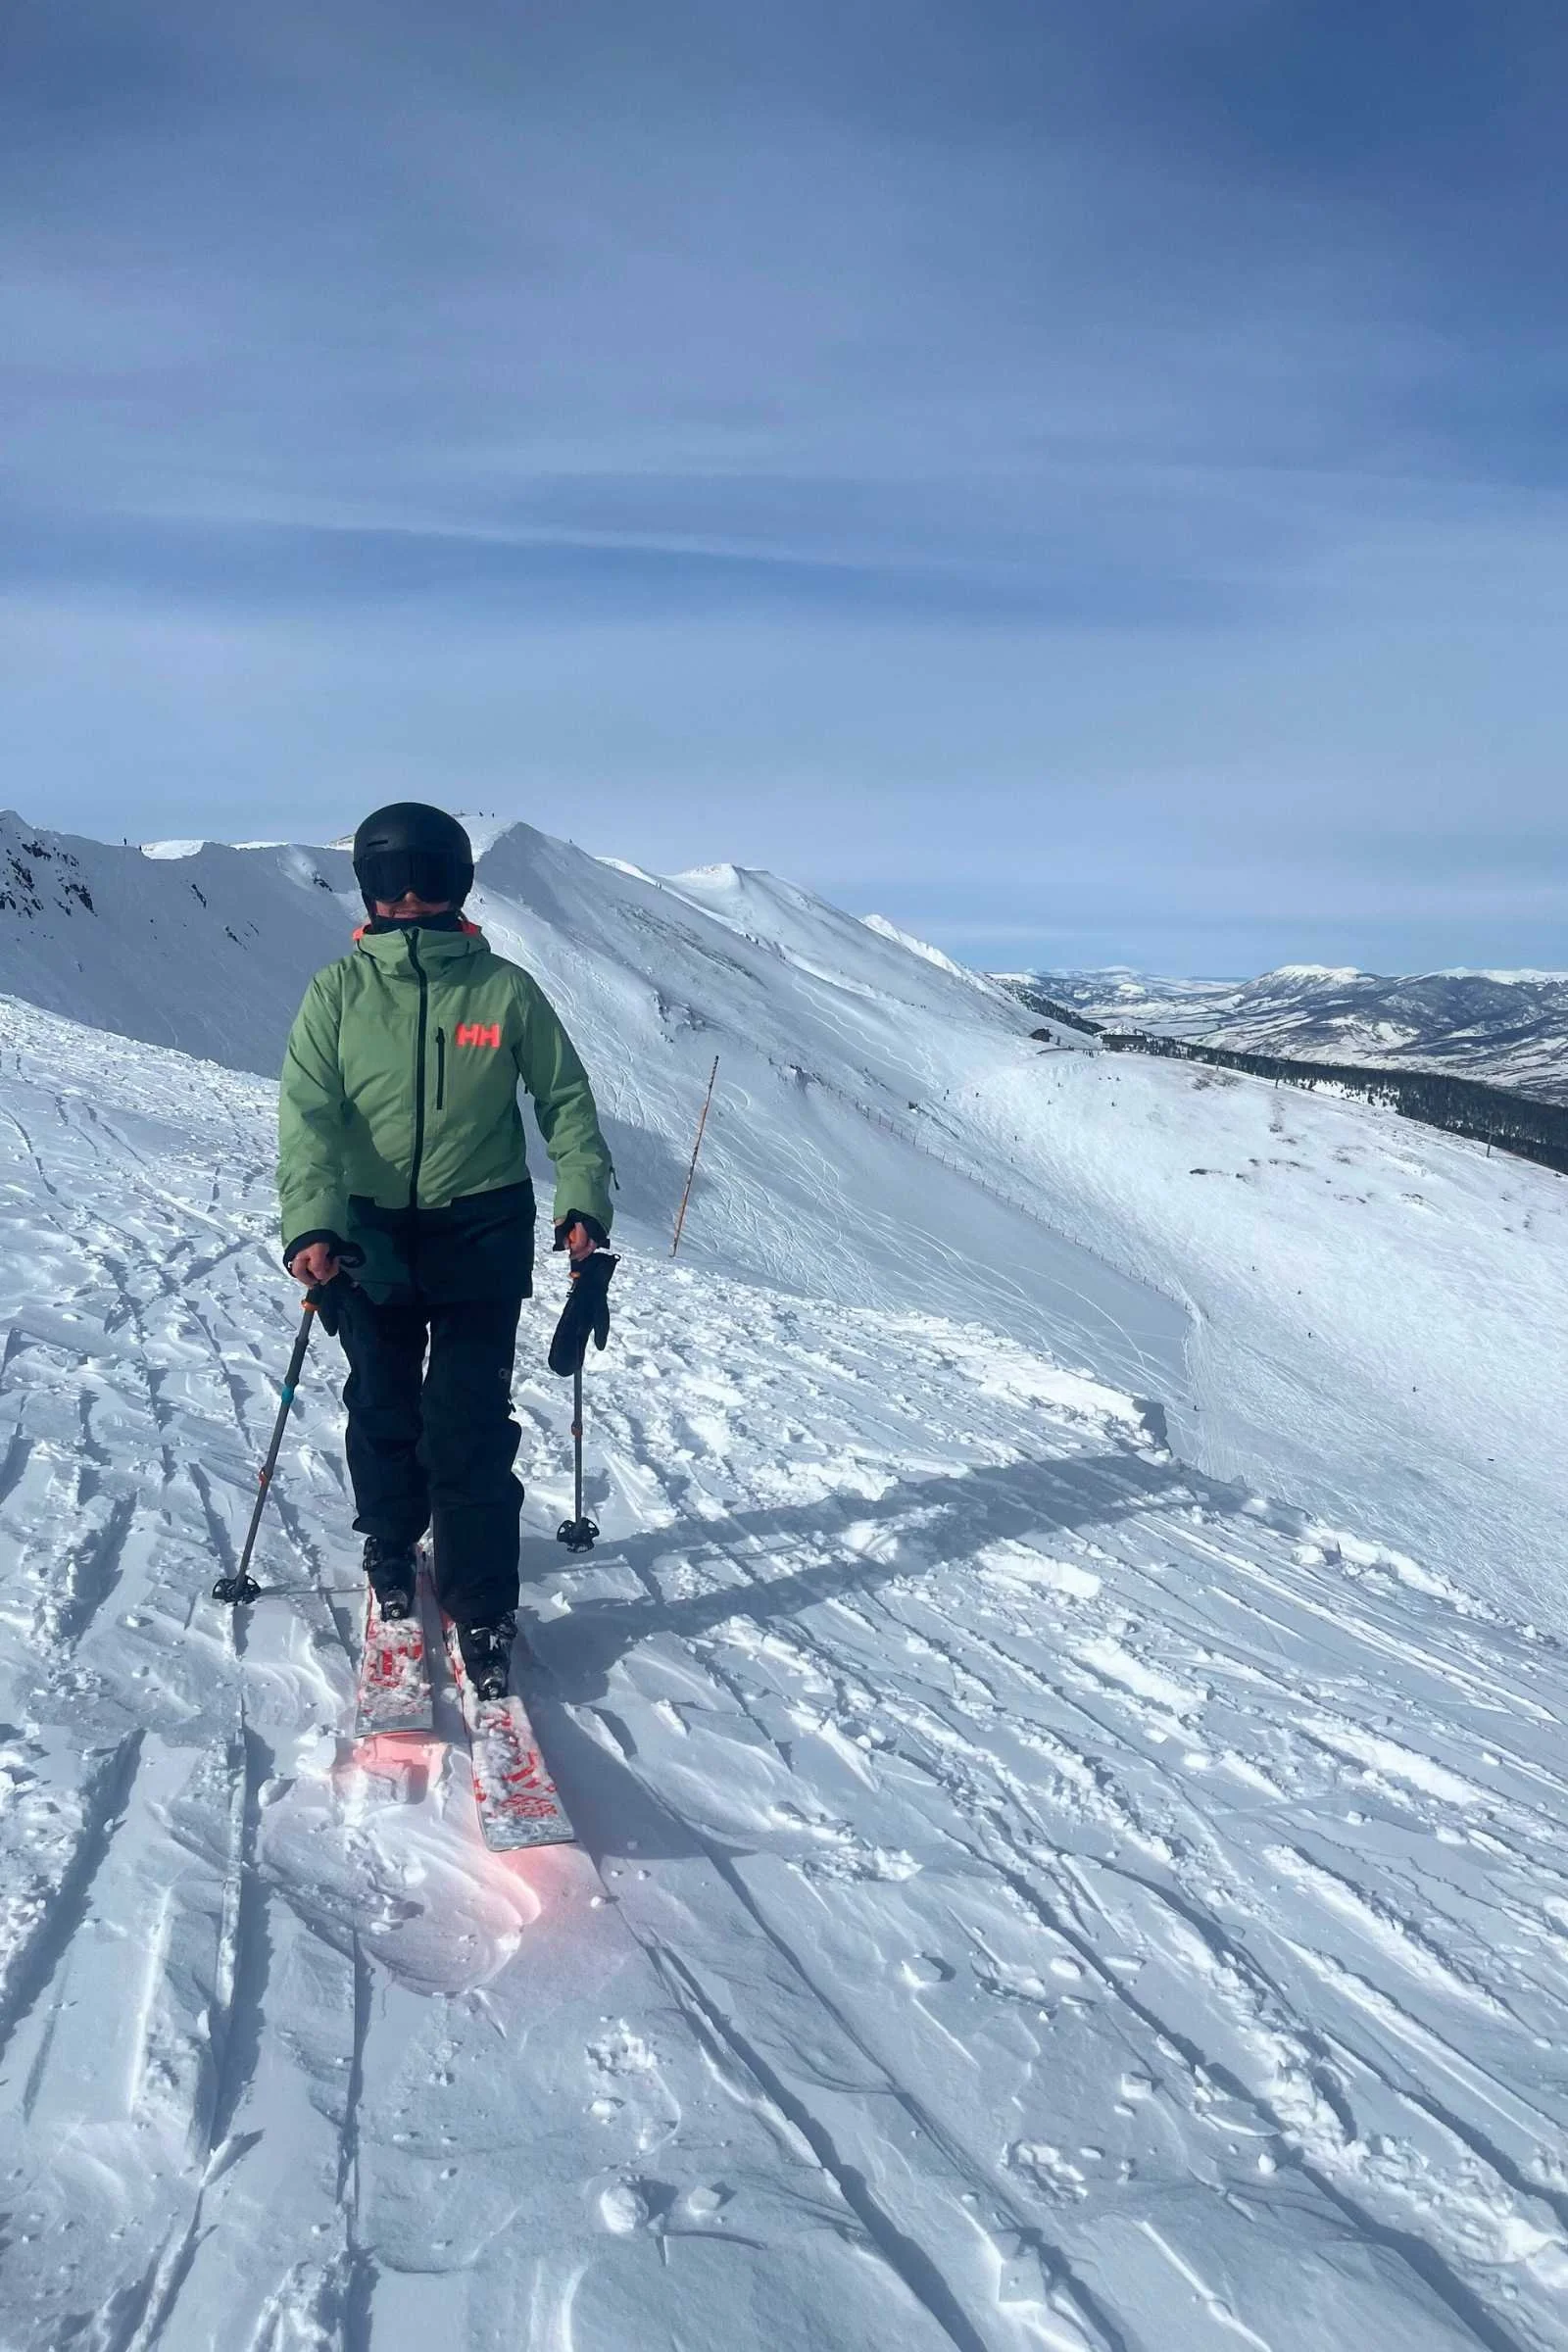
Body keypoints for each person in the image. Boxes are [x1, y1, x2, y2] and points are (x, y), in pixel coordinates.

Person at [276, 803, 615, 1696]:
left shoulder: (503, 992)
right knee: (385, 1404)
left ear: (458, 884)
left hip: (482, 1229)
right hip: (367, 1234)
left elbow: (568, 1105)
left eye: (427, 877)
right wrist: (313, 1223)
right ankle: (392, 1541)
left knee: (466, 1424)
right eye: (394, 880)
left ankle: (484, 1600)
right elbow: (307, 1122)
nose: (412, 895)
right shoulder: (335, 994)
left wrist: (582, 1201)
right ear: (372, 889)